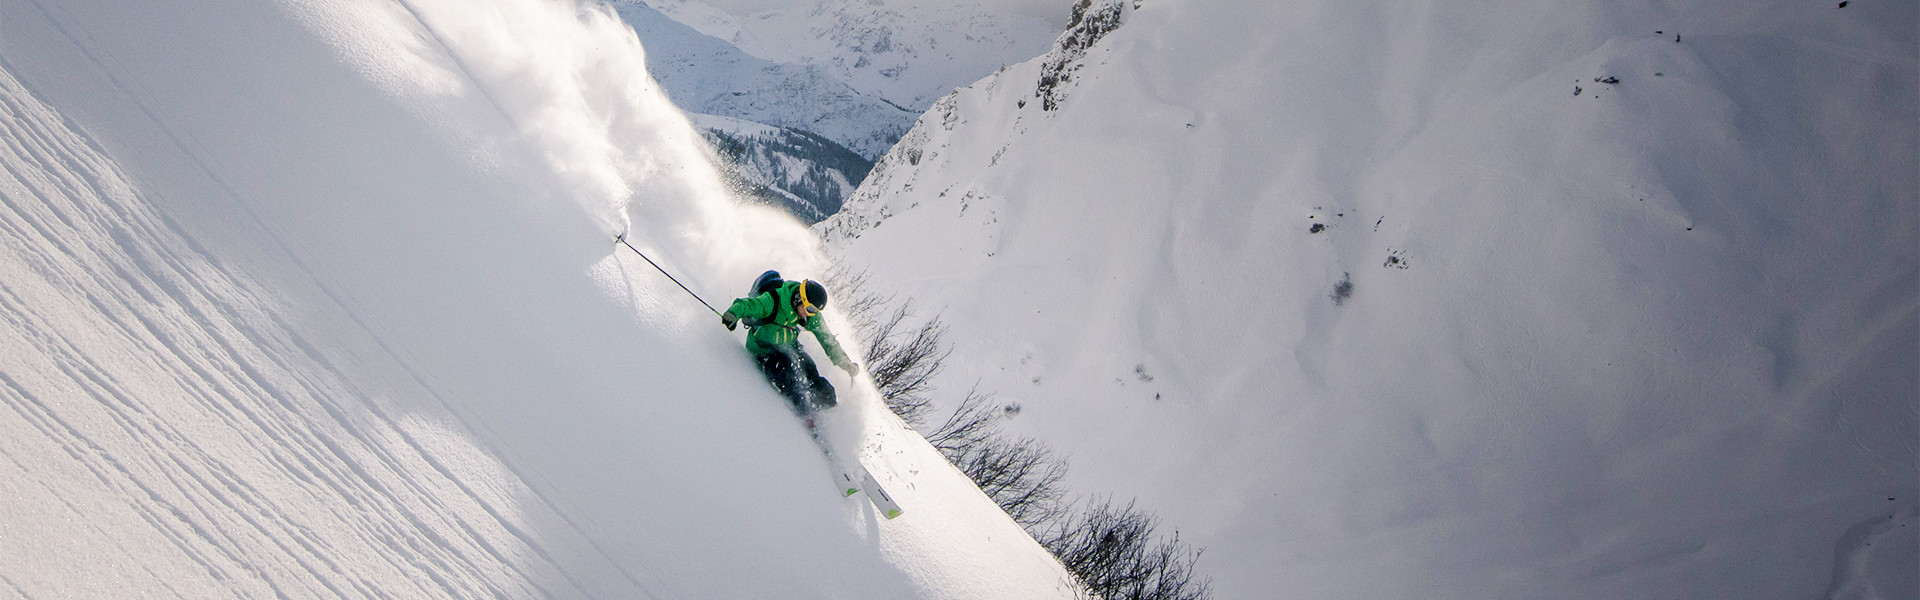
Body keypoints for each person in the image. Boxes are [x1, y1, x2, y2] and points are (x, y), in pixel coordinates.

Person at [721, 276, 859, 414]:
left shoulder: (808, 314)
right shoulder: (773, 300)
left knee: (812, 373)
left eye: (815, 311)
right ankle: (806, 417)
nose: (811, 314)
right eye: (810, 309)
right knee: (790, 379)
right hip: (764, 351)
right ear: (799, 298)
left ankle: (832, 411)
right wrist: (733, 314)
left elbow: (827, 339)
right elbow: (747, 305)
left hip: (790, 347)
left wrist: (846, 363)